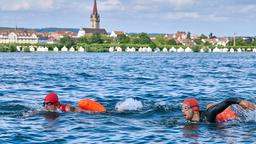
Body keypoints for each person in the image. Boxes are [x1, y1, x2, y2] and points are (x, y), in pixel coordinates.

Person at [181, 97, 256, 123]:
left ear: (194, 109)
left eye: (185, 108)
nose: (183, 111)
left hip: (231, 114)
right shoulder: (189, 121)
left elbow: (228, 101)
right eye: (182, 109)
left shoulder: (209, 114)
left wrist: (240, 101)